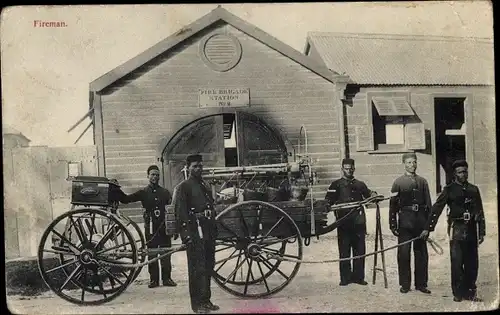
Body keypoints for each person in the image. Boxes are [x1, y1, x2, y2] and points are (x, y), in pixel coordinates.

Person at [420, 160, 485, 302]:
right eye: (460, 172)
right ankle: (458, 293)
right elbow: (437, 209)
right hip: (456, 229)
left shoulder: (474, 189)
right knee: (457, 262)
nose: (464, 174)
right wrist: (427, 228)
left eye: (465, 171)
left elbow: (480, 212)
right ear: (455, 174)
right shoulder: (449, 190)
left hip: (471, 229)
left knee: (472, 263)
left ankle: (470, 292)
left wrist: (482, 232)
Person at [172, 154, 219, 314]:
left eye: (200, 166)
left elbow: (211, 207)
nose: (198, 168)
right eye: (195, 166)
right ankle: (197, 305)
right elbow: (180, 213)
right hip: (194, 232)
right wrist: (186, 236)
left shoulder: (204, 185)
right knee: (196, 269)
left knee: (208, 267)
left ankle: (206, 301)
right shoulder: (183, 187)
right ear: (188, 168)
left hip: (207, 232)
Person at [118, 165, 177, 288]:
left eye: (157, 175)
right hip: (150, 227)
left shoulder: (165, 192)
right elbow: (126, 199)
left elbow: (172, 210)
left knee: (166, 252)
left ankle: (167, 279)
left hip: (163, 226)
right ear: (148, 176)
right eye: (152, 174)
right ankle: (153, 280)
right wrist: (116, 190)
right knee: (152, 252)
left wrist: (173, 228)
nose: (155, 177)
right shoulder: (143, 192)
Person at [325, 158, 377, 286]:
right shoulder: (336, 185)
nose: (349, 170)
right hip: (343, 222)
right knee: (344, 250)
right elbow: (328, 201)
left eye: (351, 168)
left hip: (358, 222)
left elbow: (369, 197)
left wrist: (374, 195)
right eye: (346, 168)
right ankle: (345, 278)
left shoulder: (360, 184)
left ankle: (358, 277)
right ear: (342, 169)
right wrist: (327, 206)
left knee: (359, 250)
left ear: (354, 168)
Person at [389, 153, 432, 294]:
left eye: (414, 162)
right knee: (404, 253)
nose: (412, 165)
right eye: (408, 162)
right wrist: (393, 224)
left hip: (420, 222)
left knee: (421, 254)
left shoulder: (423, 182)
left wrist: (428, 226)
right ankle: (405, 284)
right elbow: (393, 206)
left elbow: (429, 205)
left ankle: (421, 284)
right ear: (404, 164)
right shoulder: (398, 182)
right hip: (405, 223)